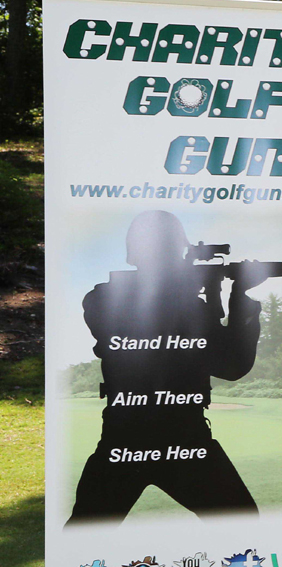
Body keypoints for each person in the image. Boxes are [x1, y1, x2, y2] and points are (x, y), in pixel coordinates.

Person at [70, 209, 266, 522]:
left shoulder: (102, 300)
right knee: (241, 525)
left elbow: (229, 366)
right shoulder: (105, 299)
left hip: (137, 437)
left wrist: (225, 294)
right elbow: (231, 365)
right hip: (177, 439)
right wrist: (234, 295)